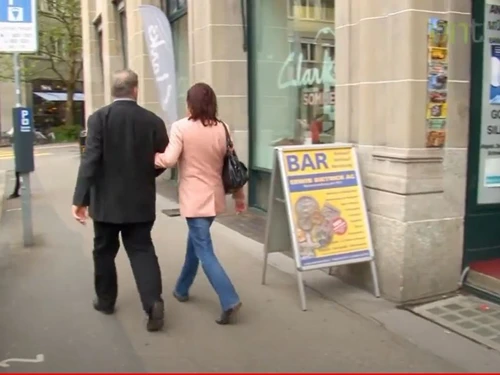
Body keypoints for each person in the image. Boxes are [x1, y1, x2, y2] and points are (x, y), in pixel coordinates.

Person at [72, 69, 169, 332]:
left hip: (105, 204)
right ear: (135, 90)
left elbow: (90, 161)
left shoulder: (99, 119)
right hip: (140, 202)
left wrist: (80, 199)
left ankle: (105, 301)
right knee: (142, 250)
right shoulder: (153, 121)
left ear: (113, 91)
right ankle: (153, 303)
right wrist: (147, 173)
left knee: (103, 252)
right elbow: (162, 159)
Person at [154, 82, 245, 325]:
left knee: (204, 248)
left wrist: (154, 157)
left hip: (194, 199)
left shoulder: (181, 127)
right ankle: (182, 288)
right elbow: (233, 163)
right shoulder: (223, 128)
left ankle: (229, 298)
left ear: (190, 104)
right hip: (214, 196)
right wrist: (239, 197)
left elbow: (170, 160)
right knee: (196, 242)